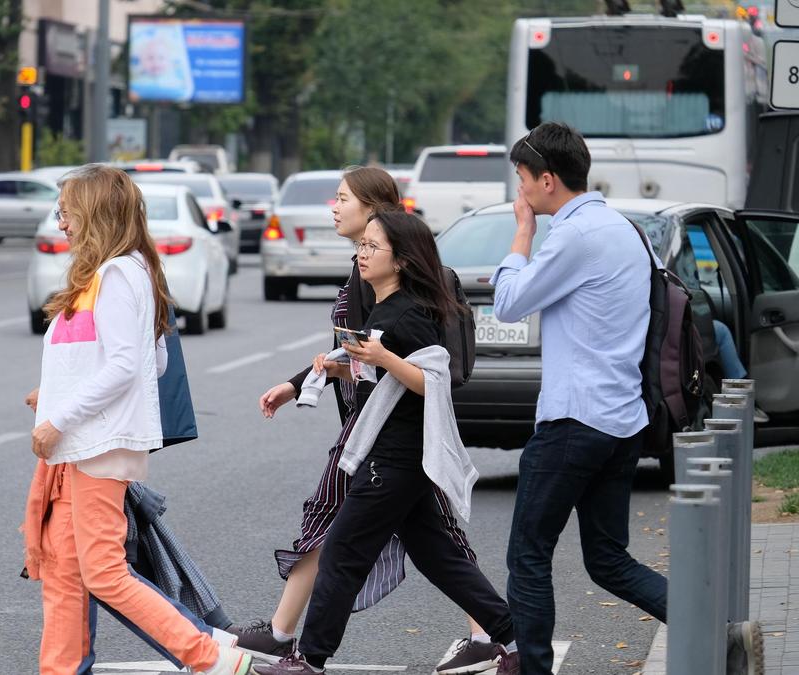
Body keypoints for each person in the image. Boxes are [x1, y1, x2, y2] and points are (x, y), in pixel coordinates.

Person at [235, 166, 498, 675]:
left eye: (341, 199)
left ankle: (299, 650)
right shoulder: (373, 277)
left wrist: (373, 359)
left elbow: (426, 366)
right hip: (375, 430)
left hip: (391, 438)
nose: (333, 208)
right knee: (430, 549)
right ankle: (505, 633)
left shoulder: (406, 293)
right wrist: (314, 375)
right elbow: (359, 346)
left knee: (345, 545)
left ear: (378, 216)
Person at [20, 164, 251, 675]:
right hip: (85, 441)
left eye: (66, 211)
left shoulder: (118, 273)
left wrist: (61, 414)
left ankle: (210, 657)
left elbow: (126, 365)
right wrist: (56, 391)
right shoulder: (109, 273)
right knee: (63, 566)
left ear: (95, 212)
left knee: (103, 573)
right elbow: (152, 361)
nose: (60, 223)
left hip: (98, 442)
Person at [492, 122, 669, 675]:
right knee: (608, 561)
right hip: (620, 421)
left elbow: (508, 304)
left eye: (522, 179)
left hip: (574, 420)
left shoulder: (574, 235)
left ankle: (534, 669)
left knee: (527, 554)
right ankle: (713, 619)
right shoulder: (622, 228)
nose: (519, 192)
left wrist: (521, 236)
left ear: (547, 179)